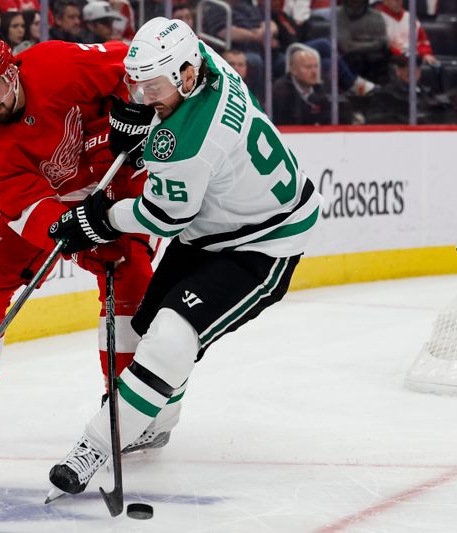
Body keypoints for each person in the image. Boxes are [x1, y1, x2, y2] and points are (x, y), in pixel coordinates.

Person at [46, 16, 321, 498]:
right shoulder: (203, 61)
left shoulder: (193, 141)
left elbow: (160, 217)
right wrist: (144, 120)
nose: (144, 94)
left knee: (172, 335)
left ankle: (97, 443)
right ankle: (155, 422)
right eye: (140, 83)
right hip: (214, 226)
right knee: (149, 322)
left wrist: (97, 220)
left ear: (187, 76)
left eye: (154, 86)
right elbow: (161, 118)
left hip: (263, 243)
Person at [0, 28, 156, 446]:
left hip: (115, 169)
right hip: (62, 200)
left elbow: (133, 63)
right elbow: (31, 210)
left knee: (129, 275)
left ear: (13, 70)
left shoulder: (56, 64)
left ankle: (128, 406)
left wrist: (135, 115)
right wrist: (73, 234)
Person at [272, 43, 333, 125]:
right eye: (308, 67)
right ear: (293, 70)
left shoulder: (323, 84)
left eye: (316, 66)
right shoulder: (280, 92)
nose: (314, 72)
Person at [375, 0, 439, 66]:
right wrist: (402, 55)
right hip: (392, 60)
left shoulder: (409, 17)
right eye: (395, 0)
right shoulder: (378, 18)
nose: (399, 2)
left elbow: (422, 40)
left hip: (414, 58)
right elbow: (382, 45)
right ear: (385, 1)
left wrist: (426, 54)